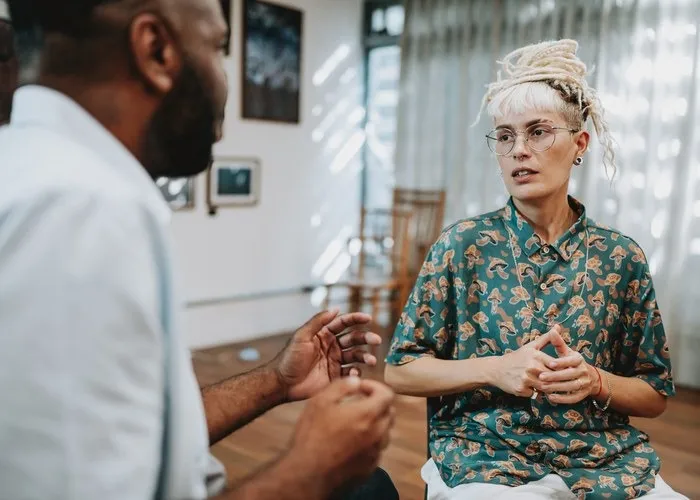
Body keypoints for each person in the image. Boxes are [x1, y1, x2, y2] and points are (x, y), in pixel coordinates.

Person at [0, 1, 399, 499]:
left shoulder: (30, 171)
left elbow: (140, 439)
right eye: (217, 47)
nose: (222, 79)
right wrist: (312, 468)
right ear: (156, 51)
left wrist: (277, 380)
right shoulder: (80, 211)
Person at [385, 39, 687, 499]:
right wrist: (495, 369)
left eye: (539, 131)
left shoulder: (622, 257)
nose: (519, 150)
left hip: (605, 462)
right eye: (505, 136)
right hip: (485, 458)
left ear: (579, 143)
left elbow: (654, 394)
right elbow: (400, 371)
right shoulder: (463, 246)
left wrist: (595, 381)